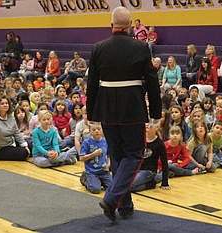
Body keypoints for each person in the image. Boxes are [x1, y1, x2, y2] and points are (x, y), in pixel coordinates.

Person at [87, 6, 162, 222]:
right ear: (130, 26)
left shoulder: (98, 48)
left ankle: (125, 205)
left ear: (111, 25)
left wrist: (92, 112)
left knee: (117, 156)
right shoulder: (141, 47)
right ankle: (111, 199)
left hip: (106, 108)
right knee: (135, 154)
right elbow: (152, 81)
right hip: (132, 107)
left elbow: (91, 83)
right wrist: (155, 111)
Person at [0, 94, 30, 163]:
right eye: (2, 104)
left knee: (31, 145)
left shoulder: (10, 117)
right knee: (23, 153)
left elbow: (17, 133)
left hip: (11, 144)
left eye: (6, 103)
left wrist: (25, 145)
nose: (5, 105)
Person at [79, 122, 112, 194]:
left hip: (103, 171)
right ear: (90, 131)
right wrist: (93, 154)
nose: (97, 131)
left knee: (112, 188)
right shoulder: (86, 142)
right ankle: (85, 179)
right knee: (96, 190)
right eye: (94, 130)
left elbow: (109, 155)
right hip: (92, 172)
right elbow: (81, 158)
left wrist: (108, 164)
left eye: (99, 129)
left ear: (102, 130)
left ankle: (99, 181)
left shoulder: (105, 141)